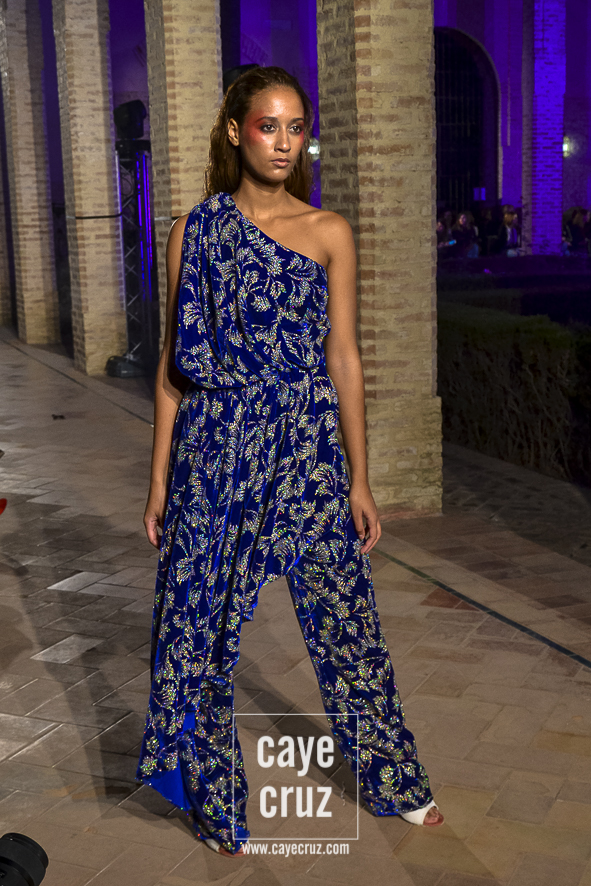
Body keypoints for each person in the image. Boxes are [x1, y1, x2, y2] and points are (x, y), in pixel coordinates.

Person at [136, 65, 443, 857]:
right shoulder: (194, 231)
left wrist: (360, 477)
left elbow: (344, 359)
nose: (282, 142)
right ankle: (216, 802)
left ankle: (393, 777)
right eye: (267, 125)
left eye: (295, 127)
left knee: (346, 620)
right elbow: (173, 364)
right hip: (215, 450)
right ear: (234, 131)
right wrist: (159, 478)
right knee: (201, 629)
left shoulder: (328, 230)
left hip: (305, 451)